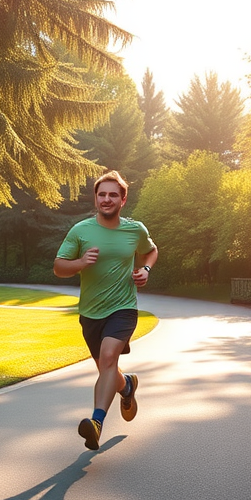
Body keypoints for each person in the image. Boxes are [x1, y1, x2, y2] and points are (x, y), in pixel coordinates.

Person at [54, 170, 158, 450]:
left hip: (123, 308)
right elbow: (59, 266)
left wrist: (145, 269)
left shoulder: (135, 230)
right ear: (96, 198)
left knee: (109, 356)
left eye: (113, 194)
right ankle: (127, 387)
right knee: (106, 368)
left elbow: (151, 250)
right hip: (90, 313)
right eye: (102, 194)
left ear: (122, 200)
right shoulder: (81, 231)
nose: (107, 199)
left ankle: (97, 423)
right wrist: (80, 263)